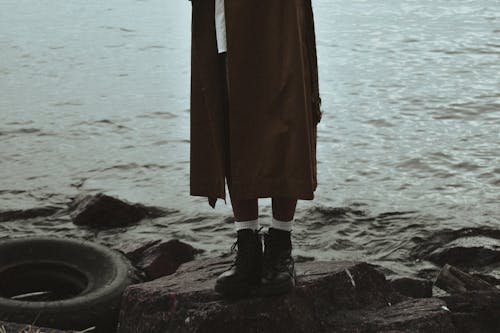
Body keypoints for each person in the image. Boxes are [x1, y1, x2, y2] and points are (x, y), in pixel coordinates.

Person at [188, 0, 322, 297]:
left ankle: (280, 246)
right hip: (225, 11)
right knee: (232, 119)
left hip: (279, 13)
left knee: (287, 119)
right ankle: (247, 247)